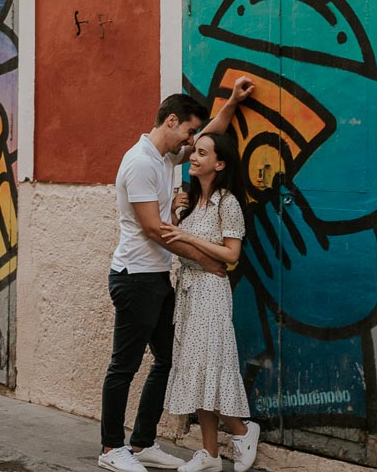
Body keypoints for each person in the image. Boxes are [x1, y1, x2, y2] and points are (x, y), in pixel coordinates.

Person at [99, 79, 253, 472]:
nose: (192, 141)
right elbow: (155, 229)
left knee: (169, 359)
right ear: (171, 121)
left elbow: (211, 136)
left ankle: (143, 442)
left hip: (156, 278)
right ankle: (112, 448)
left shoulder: (163, 157)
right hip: (135, 277)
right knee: (124, 366)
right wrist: (204, 260)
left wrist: (232, 102)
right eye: (187, 132)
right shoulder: (139, 163)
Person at [158, 132, 259, 472]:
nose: (193, 158)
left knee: (212, 368)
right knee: (195, 371)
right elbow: (176, 242)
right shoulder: (191, 201)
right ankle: (210, 454)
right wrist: (176, 217)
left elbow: (232, 255)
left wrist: (186, 235)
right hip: (188, 292)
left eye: (202, 153)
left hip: (212, 293)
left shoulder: (227, 203)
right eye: (194, 152)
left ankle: (243, 431)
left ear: (219, 163)